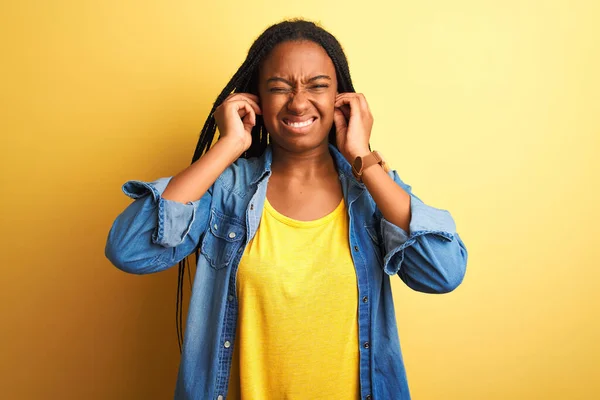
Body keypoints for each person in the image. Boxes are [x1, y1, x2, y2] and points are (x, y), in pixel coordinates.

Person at [105, 18, 468, 400]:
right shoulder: (226, 192)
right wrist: (228, 146)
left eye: (318, 86)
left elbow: (443, 273)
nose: (298, 102)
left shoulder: (372, 193)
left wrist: (363, 156)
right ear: (255, 101)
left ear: (341, 100)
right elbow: (129, 250)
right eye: (279, 88)